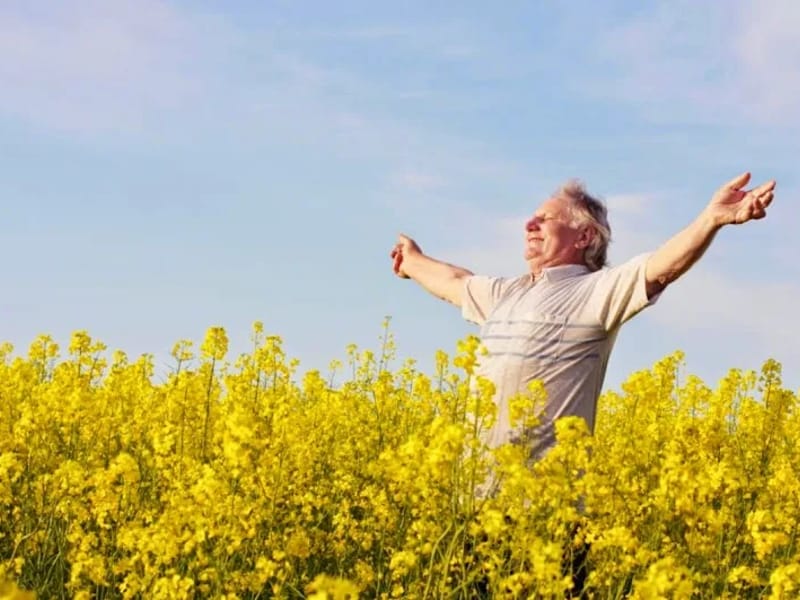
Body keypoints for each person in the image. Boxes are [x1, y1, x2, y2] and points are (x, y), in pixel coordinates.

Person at [390, 172, 775, 471]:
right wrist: (411, 261)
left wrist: (711, 219)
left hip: (551, 514)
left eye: (544, 219)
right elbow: (454, 281)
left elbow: (660, 268)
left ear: (585, 235)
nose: (529, 224)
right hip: (477, 511)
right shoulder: (504, 295)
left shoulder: (596, 293)